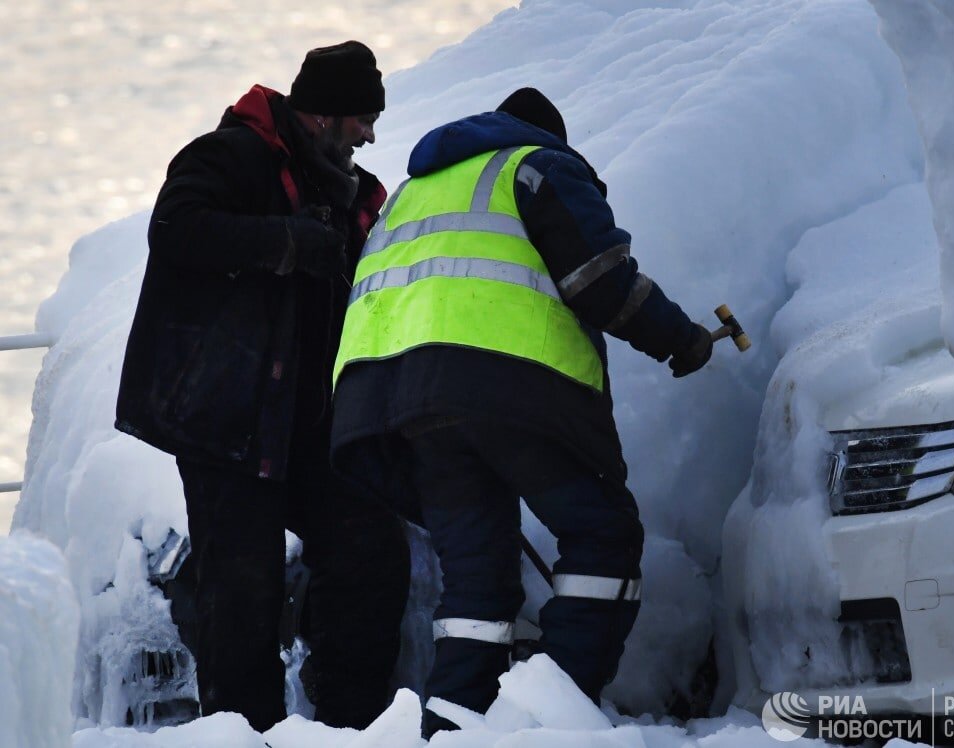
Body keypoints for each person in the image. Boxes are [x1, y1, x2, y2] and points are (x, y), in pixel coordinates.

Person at [329, 87, 713, 733]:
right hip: (507, 382)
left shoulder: (412, 192)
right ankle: (551, 718)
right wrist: (681, 338)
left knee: (476, 578)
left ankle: (453, 727)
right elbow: (598, 278)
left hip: (398, 402)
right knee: (601, 535)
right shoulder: (538, 165)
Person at [115, 42, 410, 732]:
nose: (370, 134)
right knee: (241, 590)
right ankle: (248, 736)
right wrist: (282, 243)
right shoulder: (229, 156)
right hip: (228, 422)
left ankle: (349, 727)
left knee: (371, 547)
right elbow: (174, 228)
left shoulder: (352, 196)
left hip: (309, 427)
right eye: (363, 118)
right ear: (322, 115)